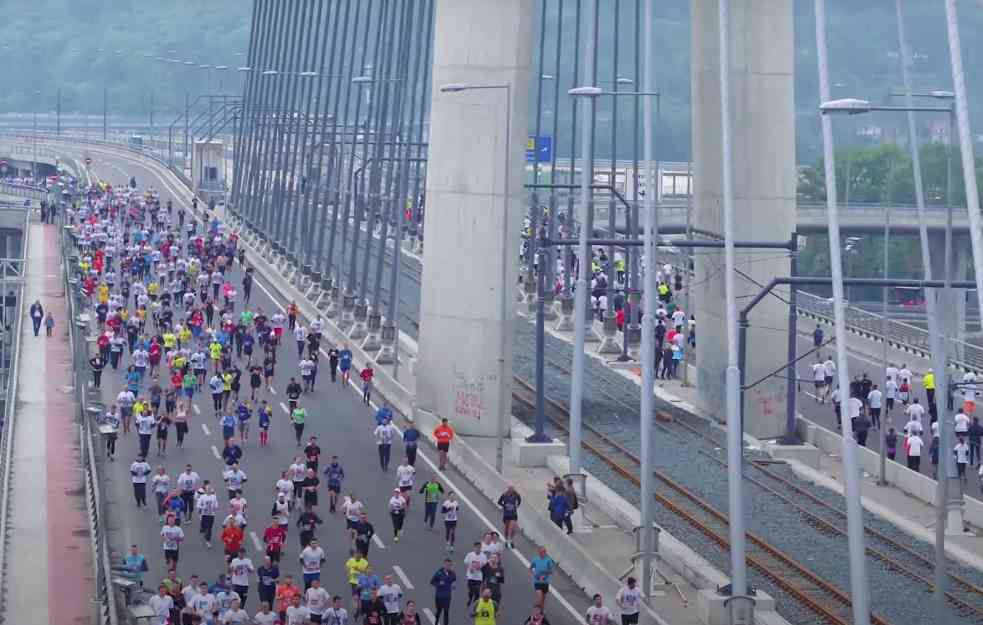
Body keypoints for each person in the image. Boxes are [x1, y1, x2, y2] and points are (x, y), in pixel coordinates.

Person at [429, 559, 456, 625]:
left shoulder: (453, 573)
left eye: (450, 565)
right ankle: (436, 622)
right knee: (439, 611)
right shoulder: (439, 573)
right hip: (439, 596)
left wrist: (453, 585)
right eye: (447, 565)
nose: (448, 566)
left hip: (447, 597)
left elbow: (454, 580)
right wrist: (438, 584)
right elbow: (432, 582)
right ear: (444, 565)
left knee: (446, 612)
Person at [464, 542, 488, 606]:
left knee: (477, 591)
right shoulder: (470, 555)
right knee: (471, 590)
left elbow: (485, 564)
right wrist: (470, 568)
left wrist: (480, 567)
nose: (478, 549)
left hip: (478, 577)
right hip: (470, 576)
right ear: (474, 548)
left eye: (479, 548)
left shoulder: (483, 556)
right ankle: (470, 598)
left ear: (481, 548)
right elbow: (466, 562)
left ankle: (475, 602)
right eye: (476, 548)